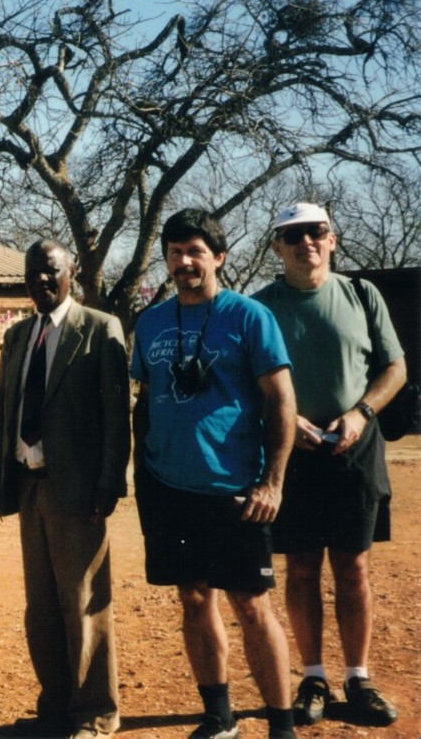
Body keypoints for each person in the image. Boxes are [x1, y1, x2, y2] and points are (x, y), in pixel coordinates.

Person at [130, 209, 298, 739]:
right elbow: (142, 401)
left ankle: (281, 723)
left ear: (219, 257)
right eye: (176, 252)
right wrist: (143, 472)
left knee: (251, 604)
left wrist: (272, 481)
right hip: (168, 486)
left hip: (235, 489)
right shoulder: (151, 321)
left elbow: (281, 401)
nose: (184, 262)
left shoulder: (248, 317)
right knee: (194, 597)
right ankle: (218, 714)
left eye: (196, 251)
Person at [253, 202, 405, 727]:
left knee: (353, 566)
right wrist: (289, 423)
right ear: (277, 246)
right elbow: (247, 379)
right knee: (300, 568)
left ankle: (358, 677)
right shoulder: (259, 308)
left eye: (316, 232)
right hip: (290, 454)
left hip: (354, 449)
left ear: (332, 239)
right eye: (292, 235)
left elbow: (395, 367)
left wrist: (361, 414)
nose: (306, 242)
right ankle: (313, 676)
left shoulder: (362, 295)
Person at [0, 240, 129, 739]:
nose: (41, 281)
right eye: (32, 274)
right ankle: (57, 701)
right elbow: (5, 412)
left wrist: (109, 482)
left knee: (85, 603)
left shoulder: (99, 328)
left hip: (79, 492)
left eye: (50, 271)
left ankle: (96, 711)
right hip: (29, 486)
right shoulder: (19, 335)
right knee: (41, 605)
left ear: (71, 273)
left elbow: (116, 416)